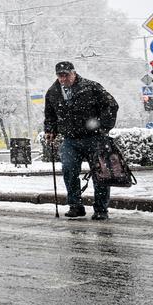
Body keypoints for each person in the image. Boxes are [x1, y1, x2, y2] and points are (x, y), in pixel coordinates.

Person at [43, 61, 119, 220]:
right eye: (60, 75)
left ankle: (101, 209)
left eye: (66, 75)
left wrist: (102, 127)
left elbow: (111, 105)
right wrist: (50, 129)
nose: (63, 79)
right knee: (68, 170)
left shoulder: (91, 87)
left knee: (100, 173)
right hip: (70, 140)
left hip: (94, 138)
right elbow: (50, 115)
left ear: (74, 73)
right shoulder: (53, 92)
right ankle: (75, 206)